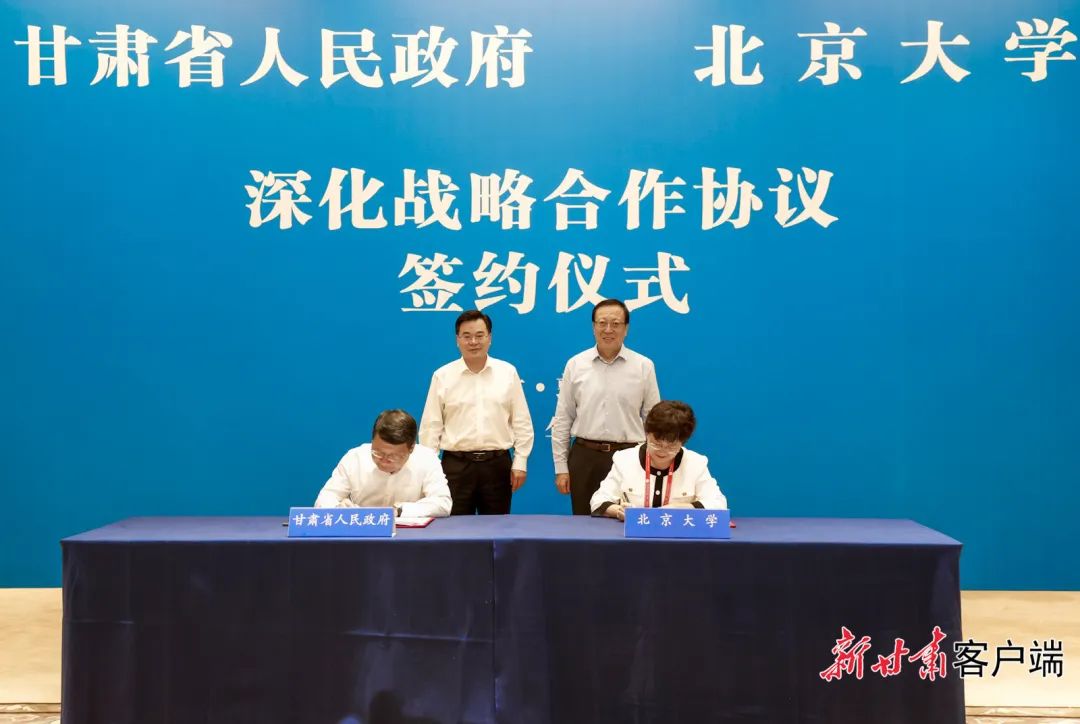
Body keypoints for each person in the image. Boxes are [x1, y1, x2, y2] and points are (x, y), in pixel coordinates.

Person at [551, 299, 661, 514]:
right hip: (585, 457)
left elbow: (653, 419)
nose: (608, 329)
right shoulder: (576, 364)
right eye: (602, 323)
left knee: (627, 520)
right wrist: (561, 467)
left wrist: (654, 461)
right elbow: (563, 418)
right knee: (584, 523)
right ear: (593, 327)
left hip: (630, 456)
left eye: (616, 324)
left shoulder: (643, 366)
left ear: (626, 329)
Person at [419, 310, 534, 515]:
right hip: (455, 466)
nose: (473, 342)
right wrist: (430, 468)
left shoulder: (507, 372)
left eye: (479, 335)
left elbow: (521, 421)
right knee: (454, 528)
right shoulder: (442, 376)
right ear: (457, 340)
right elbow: (431, 426)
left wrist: (521, 461)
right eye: (467, 336)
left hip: (497, 465)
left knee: (497, 527)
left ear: (490, 338)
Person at [590, 400, 727, 521]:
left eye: (671, 446)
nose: (662, 451)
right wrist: (618, 511)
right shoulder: (625, 460)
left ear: (683, 442)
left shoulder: (695, 463)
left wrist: (684, 508)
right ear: (647, 434)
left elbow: (719, 504)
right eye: (656, 444)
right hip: (634, 535)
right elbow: (598, 501)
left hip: (678, 535)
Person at [315, 409, 452, 517]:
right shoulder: (354, 458)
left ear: (411, 448)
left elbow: (443, 503)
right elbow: (324, 499)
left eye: (394, 456)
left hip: (410, 536)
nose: (385, 460)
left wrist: (399, 510)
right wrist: (338, 508)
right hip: (363, 533)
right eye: (378, 453)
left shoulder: (427, 459)